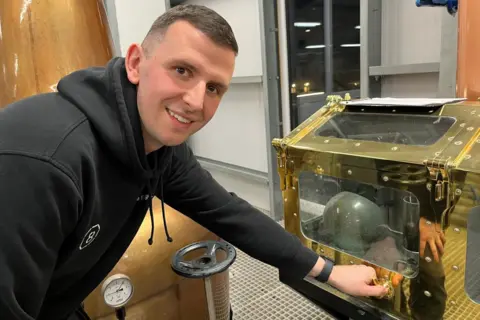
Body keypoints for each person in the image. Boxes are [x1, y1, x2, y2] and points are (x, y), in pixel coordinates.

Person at [0, 4, 387, 320]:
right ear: (135, 62)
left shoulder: (156, 149)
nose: (196, 102)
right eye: (182, 70)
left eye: (214, 87)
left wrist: (328, 271)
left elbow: (230, 213)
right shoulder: (43, 163)